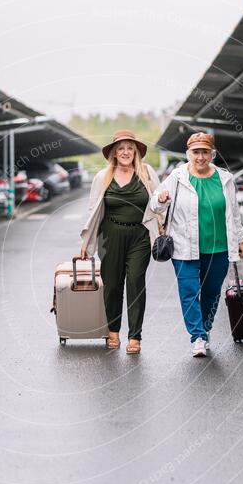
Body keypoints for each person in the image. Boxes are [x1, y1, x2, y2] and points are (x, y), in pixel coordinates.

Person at [149, 132, 243, 357]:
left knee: (212, 293)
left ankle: (205, 328)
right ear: (188, 154)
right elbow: (154, 204)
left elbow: (234, 213)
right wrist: (160, 199)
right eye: (196, 152)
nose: (200, 157)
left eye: (205, 152)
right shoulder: (178, 177)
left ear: (212, 154)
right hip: (185, 247)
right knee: (189, 292)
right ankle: (198, 337)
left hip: (219, 247)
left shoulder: (224, 179)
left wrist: (240, 239)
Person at [80, 130, 161, 354]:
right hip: (110, 235)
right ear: (114, 153)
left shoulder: (147, 173)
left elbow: (159, 205)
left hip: (140, 235)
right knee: (112, 285)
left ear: (135, 151)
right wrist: (86, 242)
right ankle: (113, 331)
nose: (125, 152)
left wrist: (163, 201)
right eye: (121, 148)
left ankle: (135, 336)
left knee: (135, 281)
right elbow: (92, 210)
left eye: (129, 148)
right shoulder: (102, 177)